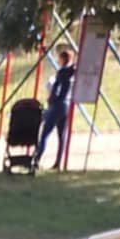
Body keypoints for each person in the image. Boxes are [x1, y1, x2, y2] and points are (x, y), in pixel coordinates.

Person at [35, 41, 76, 169]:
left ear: (63, 59)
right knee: (61, 135)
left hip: (58, 104)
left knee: (45, 132)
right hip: (67, 105)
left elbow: (56, 88)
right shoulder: (72, 72)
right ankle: (58, 162)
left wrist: (52, 98)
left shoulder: (62, 72)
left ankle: (37, 159)